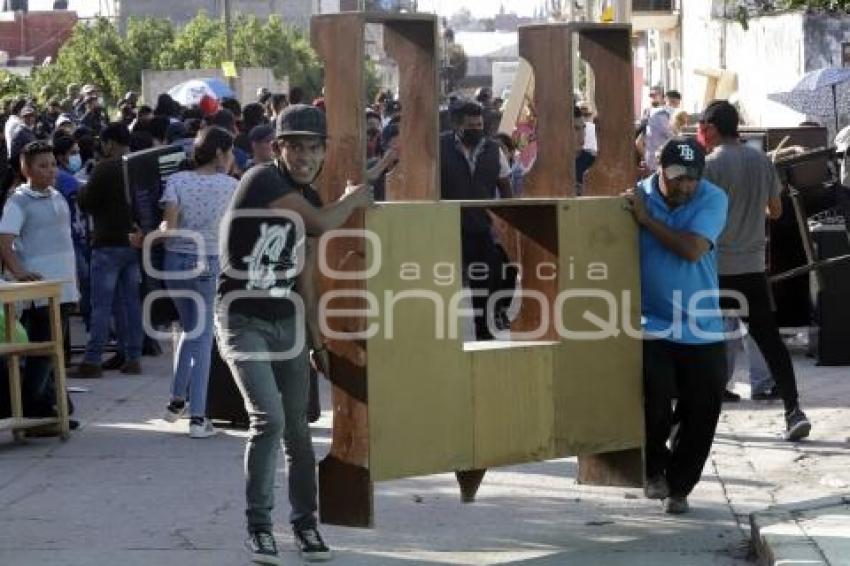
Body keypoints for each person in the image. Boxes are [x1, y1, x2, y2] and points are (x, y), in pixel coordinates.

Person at [214, 104, 374, 564]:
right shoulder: (263, 181)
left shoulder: (306, 193)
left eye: (312, 147)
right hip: (242, 317)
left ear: (323, 151)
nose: (303, 155)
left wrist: (317, 340)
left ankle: (305, 526)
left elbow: (304, 274)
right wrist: (354, 198)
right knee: (269, 420)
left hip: (286, 320)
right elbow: (324, 223)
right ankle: (259, 528)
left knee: (300, 432)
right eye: (294, 146)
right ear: (277, 148)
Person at [624, 136, 729, 515]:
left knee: (704, 407)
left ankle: (680, 486)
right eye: (677, 177)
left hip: (702, 324)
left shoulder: (712, 198)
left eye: (692, 178)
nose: (685, 185)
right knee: (653, 397)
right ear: (659, 170)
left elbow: (692, 250)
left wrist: (646, 221)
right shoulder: (636, 196)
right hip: (649, 322)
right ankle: (653, 468)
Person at [699, 100, 812, 441]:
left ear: (713, 128)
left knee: (701, 343)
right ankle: (793, 410)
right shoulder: (762, 161)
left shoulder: (709, 167)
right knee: (771, 343)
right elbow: (775, 212)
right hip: (751, 268)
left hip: (716, 269)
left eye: (704, 125)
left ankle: (688, 419)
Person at [159, 126, 238, 438]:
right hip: (209, 263)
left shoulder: (176, 181)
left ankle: (177, 400)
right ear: (219, 153)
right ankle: (198, 417)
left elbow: (169, 225)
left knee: (188, 330)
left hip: (174, 262)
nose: (232, 158)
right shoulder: (232, 186)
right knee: (203, 339)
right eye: (230, 151)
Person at [0, 140, 79, 430]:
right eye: (42, 166)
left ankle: (51, 409)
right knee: (41, 356)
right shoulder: (18, 201)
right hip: (39, 294)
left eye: (52, 165)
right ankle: (35, 413)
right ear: (25, 169)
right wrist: (20, 274)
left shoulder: (57, 196)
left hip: (65, 289)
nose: (50, 171)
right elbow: (5, 243)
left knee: (54, 353)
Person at [76, 123, 144, 378]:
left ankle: (92, 360)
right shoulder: (137, 166)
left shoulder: (104, 168)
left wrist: (83, 186)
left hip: (106, 243)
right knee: (130, 304)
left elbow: (86, 202)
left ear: (110, 143)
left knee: (101, 305)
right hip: (133, 242)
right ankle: (133, 357)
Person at [440, 101, 512, 340]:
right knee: (442, 287)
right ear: (456, 125)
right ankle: (442, 339)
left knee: (483, 284)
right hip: (447, 228)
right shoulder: (440, 148)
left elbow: (504, 186)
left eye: (479, 125)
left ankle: (483, 332)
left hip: (481, 228)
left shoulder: (494, 150)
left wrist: (507, 222)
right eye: (470, 126)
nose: (476, 129)